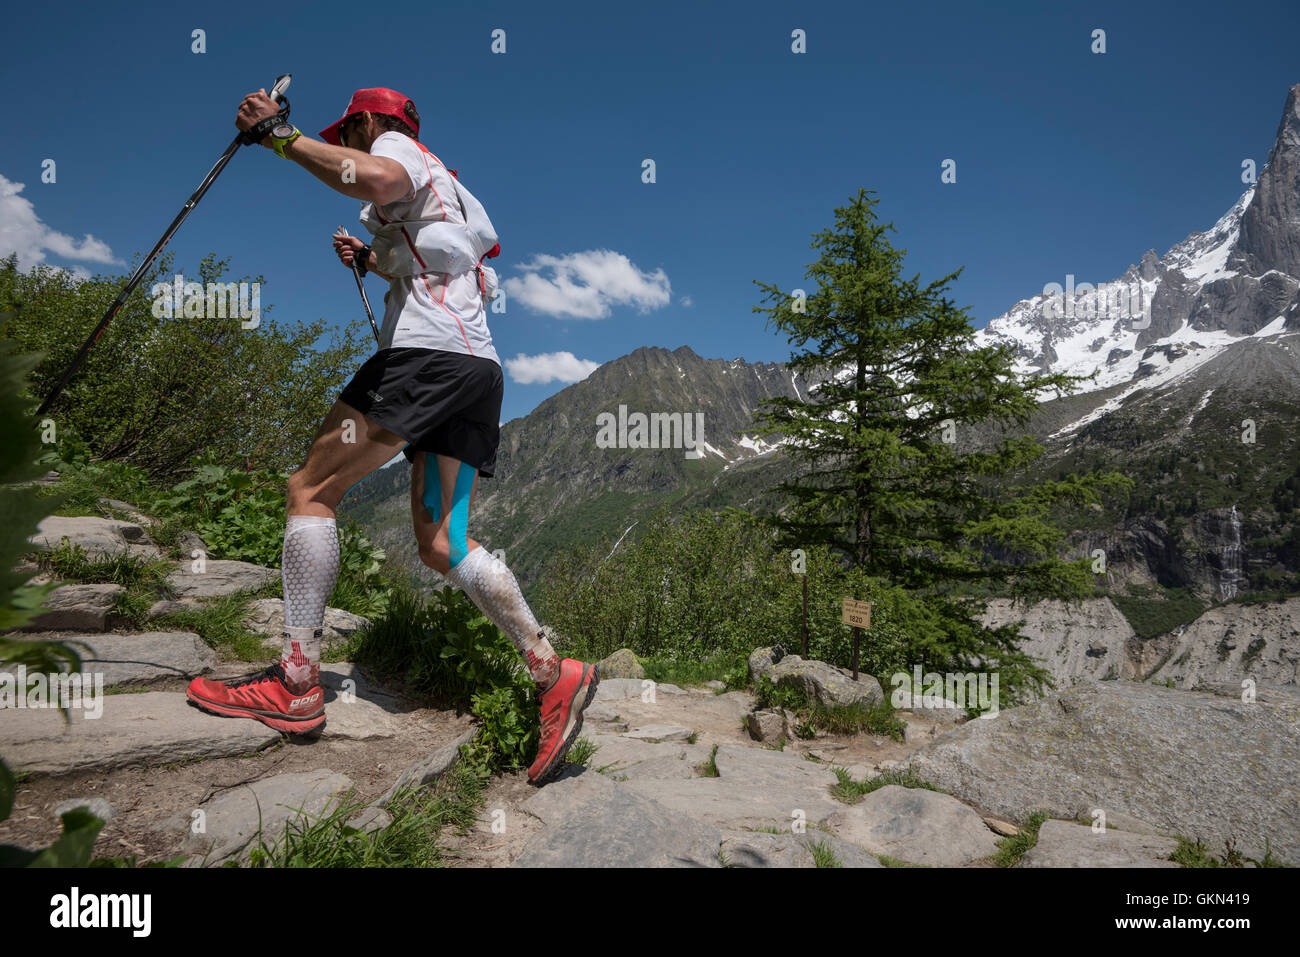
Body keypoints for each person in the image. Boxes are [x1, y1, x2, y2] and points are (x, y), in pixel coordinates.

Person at [185, 87, 598, 785]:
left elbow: (376, 177)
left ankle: (295, 684)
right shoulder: (454, 196)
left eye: (349, 129)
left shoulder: (395, 148)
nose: (349, 141)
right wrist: (372, 260)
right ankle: (550, 666)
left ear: (369, 121)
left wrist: (280, 136)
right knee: (443, 544)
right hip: (475, 371)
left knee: (311, 489)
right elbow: (430, 257)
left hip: (423, 360)